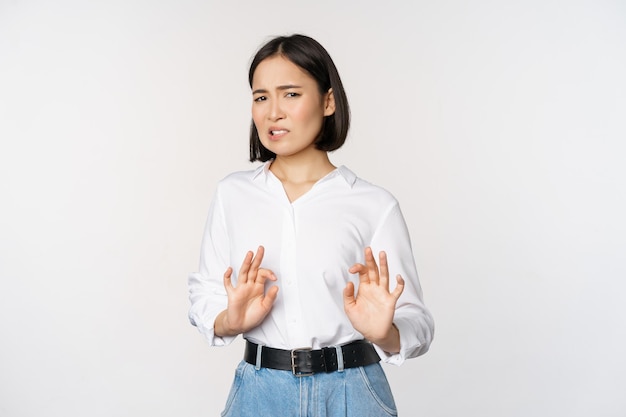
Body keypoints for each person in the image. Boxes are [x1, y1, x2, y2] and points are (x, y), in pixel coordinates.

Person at [188, 34, 434, 417]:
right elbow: (204, 294)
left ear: (328, 101)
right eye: (261, 97)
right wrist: (229, 320)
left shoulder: (373, 205)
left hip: (354, 391)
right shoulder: (232, 194)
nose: (273, 112)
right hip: (259, 393)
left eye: (290, 94)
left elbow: (416, 320)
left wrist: (384, 332)